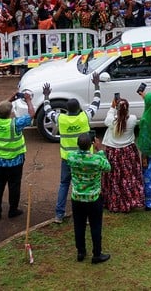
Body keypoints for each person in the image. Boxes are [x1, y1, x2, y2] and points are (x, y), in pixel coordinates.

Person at [55, 73, 101, 223]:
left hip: (67, 159)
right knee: (85, 184)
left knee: (64, 184)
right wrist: (96, 85)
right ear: (79, 108)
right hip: (86, 158)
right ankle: (87, 217)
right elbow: (96, 102)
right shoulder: (85, 117)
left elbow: (48, 111)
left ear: (66, 110)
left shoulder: (61, 119)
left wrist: (47, 97)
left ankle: (59, 215)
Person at [0, 87, 36, 219]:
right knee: (14, 186)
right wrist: (28, 101)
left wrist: (10, 98)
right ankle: (12, 210)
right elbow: (31, 115)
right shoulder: (14, 124)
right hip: (14, 162)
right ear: (10, 113)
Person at [68, 132, 112, 264]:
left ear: (77, 145)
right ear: (91, 144)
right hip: (93, 198)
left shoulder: (71, 158)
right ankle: (97, 254)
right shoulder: (97, 160)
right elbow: (108, 167)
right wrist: (99, 150)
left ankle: (81, 252)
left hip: (77, 198)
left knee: (79, 225)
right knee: (95, 226)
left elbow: (71, 157)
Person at [100, 93, 145, 212]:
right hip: (128, 151)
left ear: (117, 109)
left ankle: (115, 202)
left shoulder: (111, 121)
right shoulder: (133, 119)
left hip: (113, 153)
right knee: (129, 177)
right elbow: (126, 118)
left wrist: (112, 107)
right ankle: (130, 200)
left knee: (114, 178)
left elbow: (108, 118)